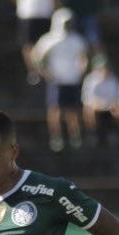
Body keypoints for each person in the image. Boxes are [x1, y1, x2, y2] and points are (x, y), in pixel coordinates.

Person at [32, 8, 89, 152]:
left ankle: (75, 135)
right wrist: (46, 73)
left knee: (72, 111)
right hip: (57, 81)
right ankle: (56, 136)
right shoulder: (49, 40)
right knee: (55, 110)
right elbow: (37, 57)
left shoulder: (77, 40)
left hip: (73, 80)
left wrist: (82, 69)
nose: (68, 25)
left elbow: (84, 57)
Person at [9, 0, 58, 85]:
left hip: (46, 13)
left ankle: (44, 69)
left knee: (44, 43)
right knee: (28, 44)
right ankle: (34, 71)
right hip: (28, 14)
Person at [81, 54, 119, 146]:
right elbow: (87, 100)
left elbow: (116, 98)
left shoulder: (113, 79)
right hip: (95, 107)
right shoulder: (89, 80)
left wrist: (108, 105)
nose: (103, 71)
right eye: (101, 68)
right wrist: (99, 105)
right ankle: (92, 133)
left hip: (110, 106)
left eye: (105, 68)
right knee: (88, 110)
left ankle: (114, 132)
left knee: (118, 110)